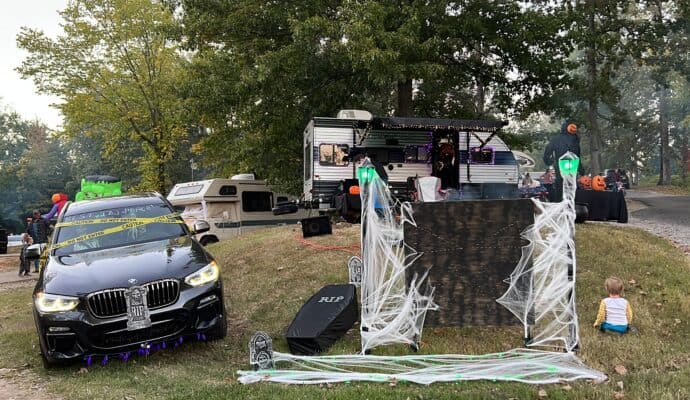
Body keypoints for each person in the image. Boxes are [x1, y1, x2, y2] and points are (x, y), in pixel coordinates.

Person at [543, 120, 585, 201]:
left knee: (560, 184)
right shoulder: (575, 139)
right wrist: (580, 168)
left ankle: (561, 203)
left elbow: (548, 150)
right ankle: (569, 203)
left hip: (561, 163)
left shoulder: (558, 138)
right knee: (571, 184)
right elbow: (577, 155)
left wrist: (548, 160)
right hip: (571, 163)